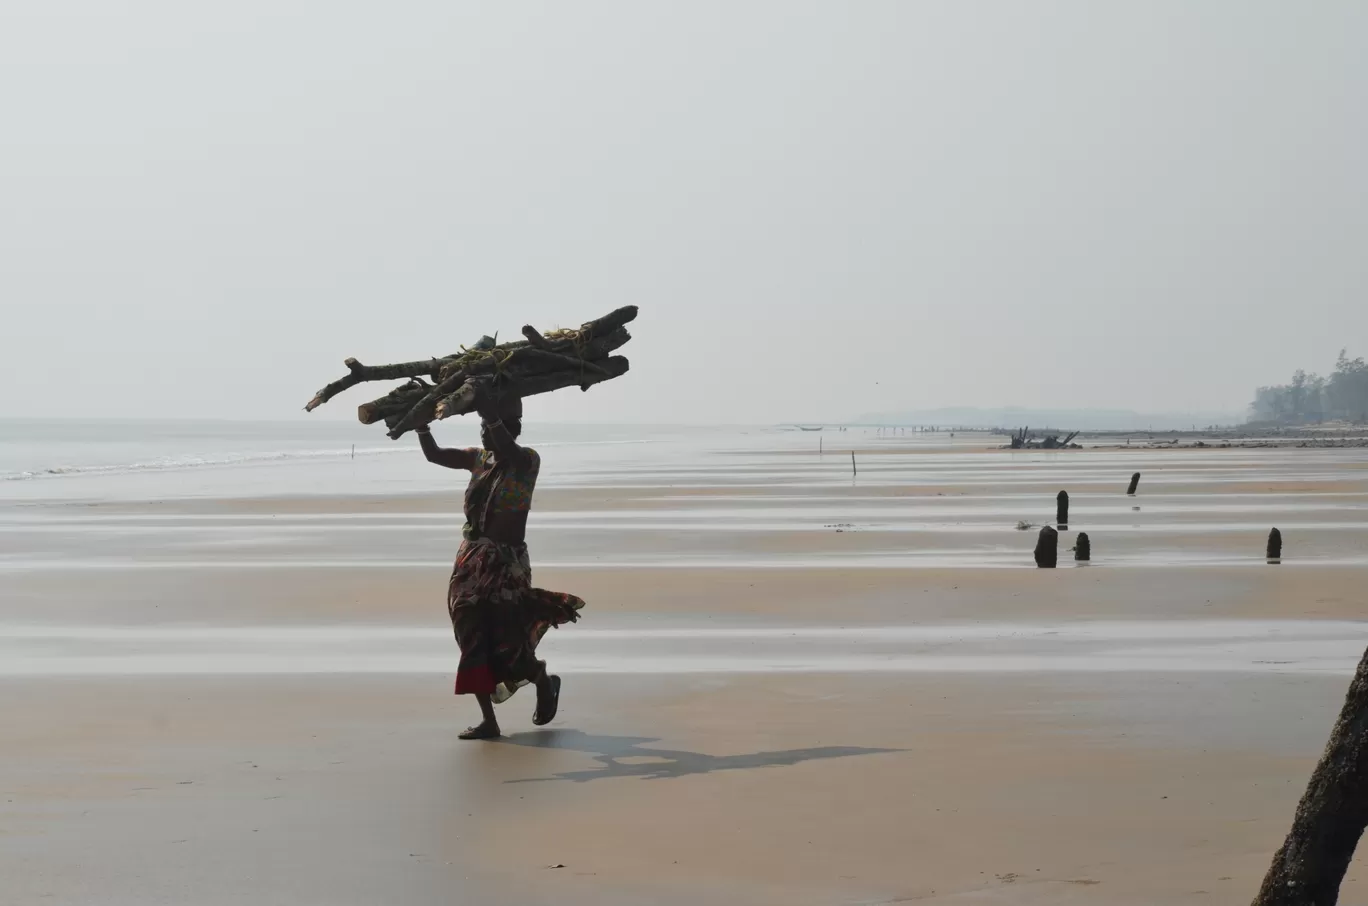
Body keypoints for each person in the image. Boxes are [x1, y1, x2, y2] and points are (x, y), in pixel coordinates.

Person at [415, 387, 584, 740]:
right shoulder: (477, 459)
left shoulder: (526, 461)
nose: (485, 434)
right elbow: (434, 455)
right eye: (482, 428)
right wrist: (421, 427)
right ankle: (489, 722)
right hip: (471, 561)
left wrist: (490, 411)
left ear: (511, 430)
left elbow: (507, 447)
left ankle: (541, 680)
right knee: (470, 633)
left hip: (506, 562)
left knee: (507, 636)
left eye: (493, 428)